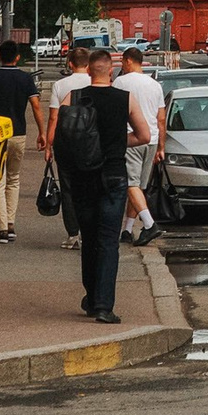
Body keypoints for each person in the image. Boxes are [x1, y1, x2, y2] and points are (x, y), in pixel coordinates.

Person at [55, 49, 151, 322]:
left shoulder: (73, 97)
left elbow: (62, 134)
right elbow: (144, 135)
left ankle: (91, 297)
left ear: (88, 71)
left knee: (89, 239)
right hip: (114, 177)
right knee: (109, 241)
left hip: (83, 176)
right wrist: (119, 141)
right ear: (111, 72)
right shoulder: (125, 98)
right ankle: (104, 306)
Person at [0, 42, 44, 244]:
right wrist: (42, 133)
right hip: (18, 133)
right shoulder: (26, 78)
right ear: (17, 58)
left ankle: (2, 229)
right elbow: (36, 106)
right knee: (14, 178)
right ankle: (11, 223)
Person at [112, 46, 168, 246]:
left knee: (130, 184)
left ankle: (149, 224)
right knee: (139, 187)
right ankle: (127, 230)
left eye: (122, 61)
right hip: (151, 140)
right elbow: (161, 119)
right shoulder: (155, 85)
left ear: (128, 60)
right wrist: (161, 147)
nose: (122, 65)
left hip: (131, 139)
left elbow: (115, 110)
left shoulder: (120, 82)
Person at [42, 42, 93, 250]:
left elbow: (54, 117)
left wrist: (49, 145)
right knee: (89, 188)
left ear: (70, 63)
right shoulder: (95, 82)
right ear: (88, 64)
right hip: (90, 142)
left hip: (66, 142)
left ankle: (73, 234)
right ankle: (89, 232)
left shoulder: (60, 85)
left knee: (68, 189)